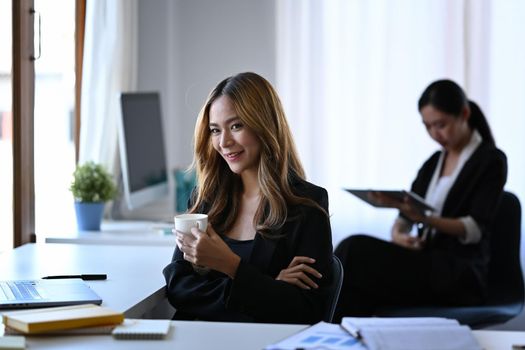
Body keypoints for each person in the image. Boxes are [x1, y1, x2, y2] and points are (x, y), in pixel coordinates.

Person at [163, 72, 333, 324]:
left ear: (264, 124)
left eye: (236, 126)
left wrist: (231, 266)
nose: (224, 142)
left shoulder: (307, 204)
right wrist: (268, 287)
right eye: (215, 130)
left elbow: (307, 309)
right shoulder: (206, 199)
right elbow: (178, 286)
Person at [334, 79, 507, 321]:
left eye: (441, 125)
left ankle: (321, 335)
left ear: (464, 114)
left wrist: (426, 219)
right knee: (354, 284)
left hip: (460, 273)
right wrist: (399, 235)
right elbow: (408, 213)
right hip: (427, 264)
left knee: (353, 251)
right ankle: (340, 340)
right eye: (427, 127)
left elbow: (474, 229)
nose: (435, 134)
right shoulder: (433, 163)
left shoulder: (490, 161)